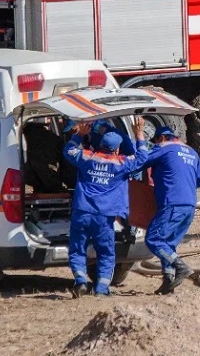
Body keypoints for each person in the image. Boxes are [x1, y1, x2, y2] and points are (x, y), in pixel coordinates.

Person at [63, 117, 148, 297]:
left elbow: (68, 150)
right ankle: (101, 289)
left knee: (77, 249)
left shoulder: (87, 156)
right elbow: (142, 157)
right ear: (117, 149)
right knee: (106, 253)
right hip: (104, 216)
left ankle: (80, 281)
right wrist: (139, 133)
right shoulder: (122, 163)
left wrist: (80, 135)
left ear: (100, 143)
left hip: (82, 211)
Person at [142, 125, 200, 295]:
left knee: (154, 239)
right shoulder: (191, 152)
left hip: (172, 203)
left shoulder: (164, 148)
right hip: (189, 206)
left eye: (156, 141)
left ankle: (180, 266)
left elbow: (141, 161)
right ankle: (168, 281)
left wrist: (139, 139)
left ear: (161, 138)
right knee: (168, 243)